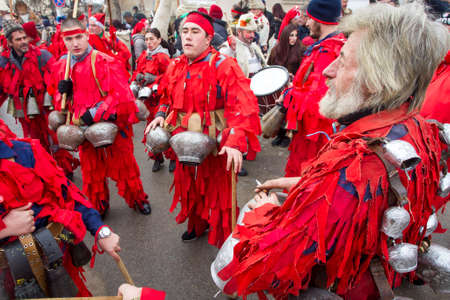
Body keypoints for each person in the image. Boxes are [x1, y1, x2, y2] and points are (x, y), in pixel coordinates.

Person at [216, 3, 450, 299]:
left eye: (342, 60)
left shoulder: (353, 164)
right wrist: (309, 185)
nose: (328, 70)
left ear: (377, 79)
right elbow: (374, 204)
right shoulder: (422, 127)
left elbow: (270, 266)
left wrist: (264, 211)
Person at [145, 11, 261, 247]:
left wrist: (236, 141)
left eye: (195, 32)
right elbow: (166, 98)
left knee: (219, 196)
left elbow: (243, 105)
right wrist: (159, 115)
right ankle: (196, 225)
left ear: (208, 39)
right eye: (184, 32)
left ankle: (223, 238)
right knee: (189, 189)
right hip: (182, 143)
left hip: (215, 146)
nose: (187, 37)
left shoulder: (224, 65)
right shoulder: (175, 66)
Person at [0, 119, 121, 297]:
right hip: (7, 276)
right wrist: (5, 228)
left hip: (56, 257)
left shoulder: (25, 152)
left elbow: (67, 194)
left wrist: (100, 230)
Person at [49, 18, 151, 216]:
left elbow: (122, 97)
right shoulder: (62, 66)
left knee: (125, 168)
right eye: (69, 39)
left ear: (87, 36)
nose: (75, 43)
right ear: (63, 40)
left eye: (79, 37)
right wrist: (63, 94)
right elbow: (60, 105)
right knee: (91, 173)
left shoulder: (105, 61)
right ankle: (99, 205)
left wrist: (95, 112)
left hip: (111, 125)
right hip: (83, 130)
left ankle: (138, 199)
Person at [0, 20, 79, 178]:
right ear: (9, 42)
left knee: (55, 138)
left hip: (46, 104)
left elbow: (59, 76)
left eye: (24, 38)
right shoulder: (4, 62)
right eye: (18, 39)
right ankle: (47, 169)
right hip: (24, 110)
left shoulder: (42, 55)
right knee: (35, 141)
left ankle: (65, 168)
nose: (23, 42)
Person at [281, 0, 345, 178]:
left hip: (315, 138)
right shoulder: (326, 46)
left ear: (320, 19)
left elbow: (320, 101)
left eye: (310, 18)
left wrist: (289, 95)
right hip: (311, 135)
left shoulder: (329, 51)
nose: (307, 23)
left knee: (305, 180)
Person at [133, 28, 176, 173]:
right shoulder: (144, 55)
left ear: (159, 40)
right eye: (146, 39)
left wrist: (156, 79)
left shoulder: (163, 57)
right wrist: (138, 76)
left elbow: (171, 78)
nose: (149, 42)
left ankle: (172, 158)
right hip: (148, 99)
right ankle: (157, 158)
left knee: (166, 129)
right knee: (150, 130)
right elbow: (137, 71)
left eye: (152, 39)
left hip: (161, 99)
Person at [268, 24, 305, 148]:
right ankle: (279, 134)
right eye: (291, 35)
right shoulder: (276, 50)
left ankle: (286, 136)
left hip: (293, 86)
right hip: (278, 85)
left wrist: (294, 77)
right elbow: (270, 66)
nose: (294, 38)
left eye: (296, 35)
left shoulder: (301, 49)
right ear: (285, 36)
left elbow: (304, 70)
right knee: (279, 110)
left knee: (289, 111)